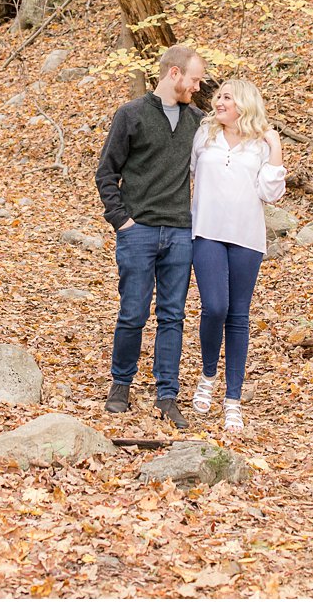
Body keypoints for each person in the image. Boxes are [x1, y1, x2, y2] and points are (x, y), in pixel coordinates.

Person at [95, 44, 208, 429]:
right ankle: (121, 383)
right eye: (194, 79)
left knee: (172, 316)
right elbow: (106, 174)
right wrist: (122, 221)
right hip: (138, 230)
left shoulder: (197, 121)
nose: (197, 87)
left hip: (179, 232)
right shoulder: (131, 115)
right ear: (173, 74)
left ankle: (167, 394)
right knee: (133, 313)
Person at [188, 78, 285, 432]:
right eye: (217, 96)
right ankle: (207, 377)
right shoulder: (205, 135)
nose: (218, 102)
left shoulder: (260, 144)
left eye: (226, 97)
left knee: (239, 316)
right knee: (215, 307)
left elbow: (271, 193)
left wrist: (275, 146)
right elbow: (191, 175)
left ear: (243, 103)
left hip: (246, 238)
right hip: (207, 232)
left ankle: (233, 400)